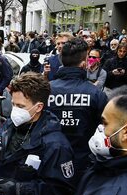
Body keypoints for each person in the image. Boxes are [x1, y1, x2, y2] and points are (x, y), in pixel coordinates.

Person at [48, 38, 108, 179]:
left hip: (51, 160)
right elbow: (106, 127)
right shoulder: (95, 94)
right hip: (83, 162)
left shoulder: (46, 90)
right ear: (83, 63)